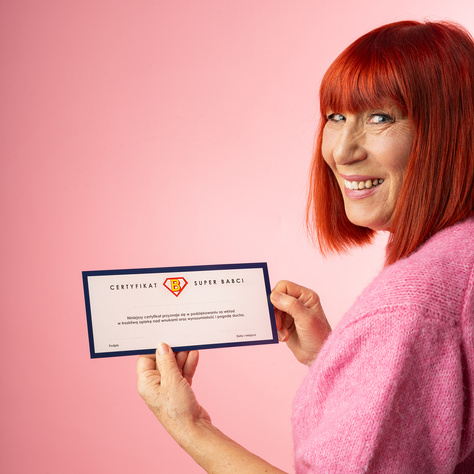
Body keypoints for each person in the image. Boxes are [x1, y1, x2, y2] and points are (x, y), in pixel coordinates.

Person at [137, 20, 474, 472]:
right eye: (336, 117)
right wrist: (340, 358)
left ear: (452, 130)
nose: (341, 151)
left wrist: (188, 423)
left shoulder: (409, 306)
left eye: (380, 118)